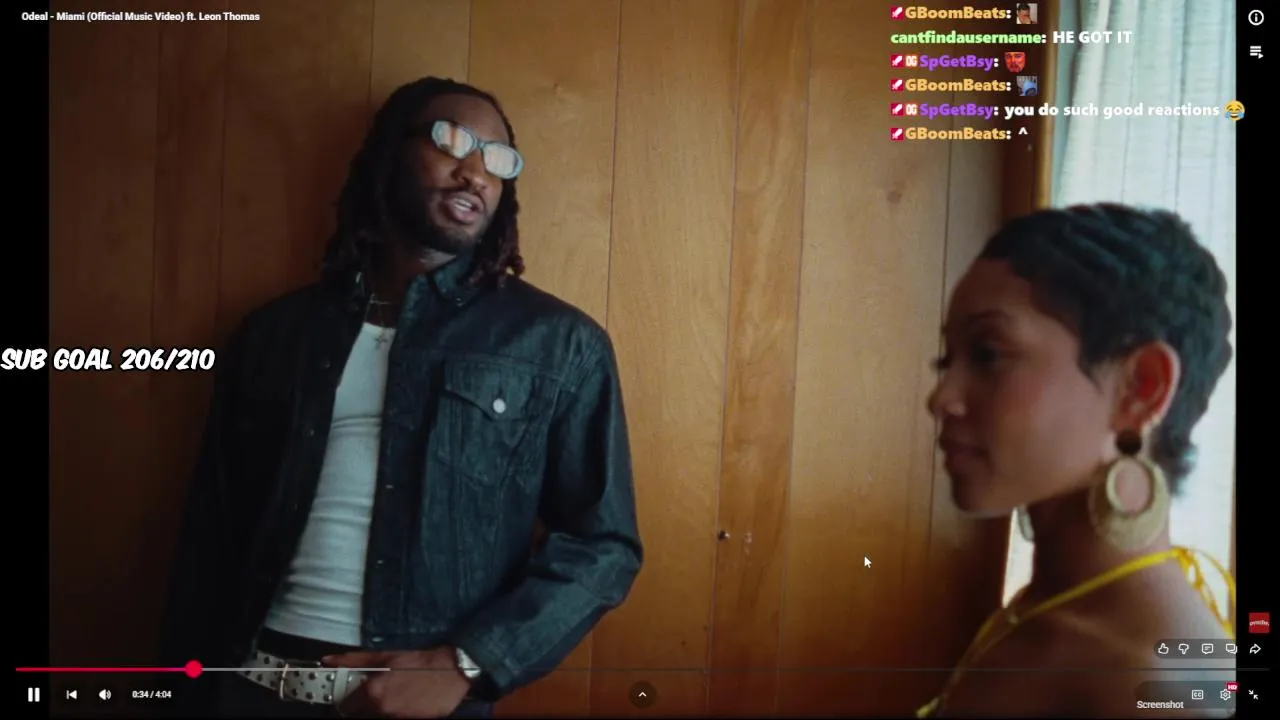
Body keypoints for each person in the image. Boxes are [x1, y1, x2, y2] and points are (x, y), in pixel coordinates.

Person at [160, 76, 644, 718]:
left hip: (422, 704)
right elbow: (211, 536)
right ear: (391, 153)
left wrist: (466, 662)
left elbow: (603, 546)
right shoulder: (275, 334)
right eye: (454, 141)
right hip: (249, 690)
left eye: (499, 160)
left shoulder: (557, 345)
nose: (476, 172)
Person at [919, 204, 1235, 717]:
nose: (941, 399)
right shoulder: (1049, 607)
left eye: (988, 354)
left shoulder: (1160, 686)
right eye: (945, 361)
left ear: (1141, 388)